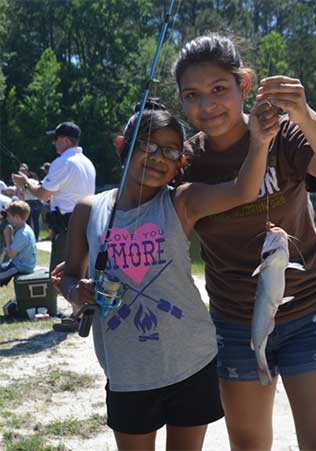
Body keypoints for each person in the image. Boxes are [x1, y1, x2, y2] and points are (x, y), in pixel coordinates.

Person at [172, 35, 316, 451]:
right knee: (249, 444)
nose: (207, 106)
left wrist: (304, 113)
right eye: (192, 95)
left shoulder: (284, 135)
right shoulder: (187, 163)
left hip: (311, 312)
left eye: (219, 89)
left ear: (245, 83)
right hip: (236, 323)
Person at [57, 97, 278, 450]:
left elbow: (243, 191)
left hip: (192, 360)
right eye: (148, 146)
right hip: (126, 370)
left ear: (181, 164)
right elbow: (68, 276)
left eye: (172, 152)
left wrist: (260, 141)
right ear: (122, 147)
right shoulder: (87, 210)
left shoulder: (181, 202)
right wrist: (75, 292)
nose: (160, 158)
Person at [12, 122, 96, 331]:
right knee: (82, 272)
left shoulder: (63, 162)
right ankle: (80, 314)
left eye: (56, 139)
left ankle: (78, 316)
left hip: (69, 227)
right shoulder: (87, 162)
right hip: (89, 225)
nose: (54, 143)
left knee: (61, 275)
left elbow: (42, 194)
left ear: (66, 140)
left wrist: (26, 182)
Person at [0, 200, 36, 286]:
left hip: (21, 267)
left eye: (8, 216)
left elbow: (11, 254)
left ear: (16, 217)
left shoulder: (22, 234)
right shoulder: (26, 228)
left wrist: (7, 237)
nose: (7, 219)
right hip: (20, 264)